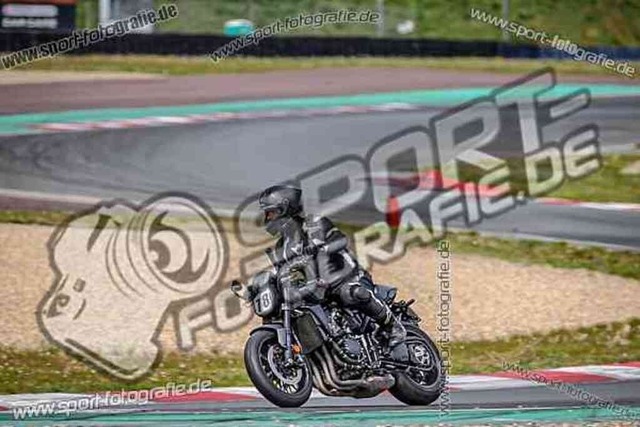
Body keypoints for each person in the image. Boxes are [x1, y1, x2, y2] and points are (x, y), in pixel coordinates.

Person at [258, 184, 409, 362]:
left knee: (350, 293)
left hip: (345, 278)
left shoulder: (313, 224)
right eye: (267, 213)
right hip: (317, 288)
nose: (268, 218)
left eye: (271, 212)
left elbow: (338, 241)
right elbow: (282, 272)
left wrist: (319, 249)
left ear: (286, 209)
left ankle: (393, 327)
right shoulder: (281, 247)